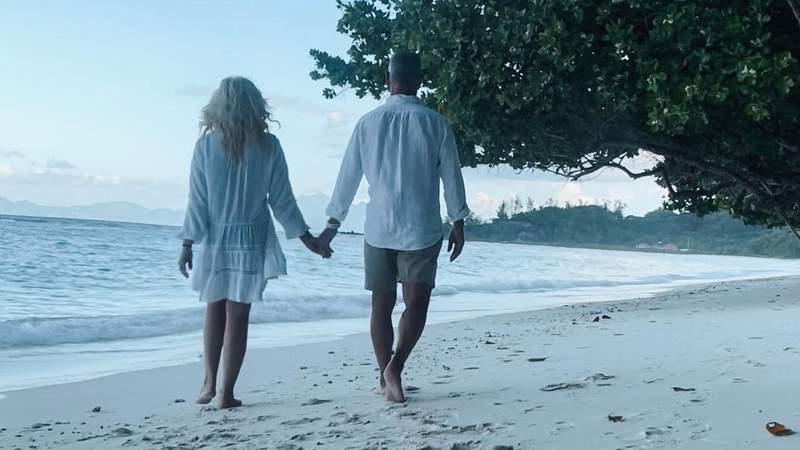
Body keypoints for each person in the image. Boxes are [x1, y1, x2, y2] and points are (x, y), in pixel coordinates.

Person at [318, 52, 469, 403]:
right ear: (419, 80)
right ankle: (395, 367)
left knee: (380, 306)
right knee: (417, 303)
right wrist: (457, 221)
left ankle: (384, 375)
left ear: (388, 80)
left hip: (378, 228)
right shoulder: (436, 123)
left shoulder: (367, 123)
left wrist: (332, 225)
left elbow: (347, 178)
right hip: (421, 228)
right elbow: (451, 176)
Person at [177, 77, 329, 409]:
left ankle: (207, 383)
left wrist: (188, 242)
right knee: (238, 315)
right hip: (250, 239)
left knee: (213, 309)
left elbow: (197, 201)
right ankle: (226, 393)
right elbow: (282, 201)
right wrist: (307, 239)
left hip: (216, 237)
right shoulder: (269, 145)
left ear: (219, 105)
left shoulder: (205, 146)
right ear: (255, 105)